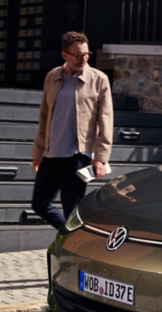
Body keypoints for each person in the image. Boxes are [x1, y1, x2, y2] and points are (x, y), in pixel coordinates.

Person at [31, 31, 113, 229]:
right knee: (39, 204)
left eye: (86, 54)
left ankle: (71, 246)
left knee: (72, 208)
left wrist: (101, 158)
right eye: (78, 55)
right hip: (51, 155)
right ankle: (71, 238)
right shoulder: (52, 77)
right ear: (64, 55)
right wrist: (38, 152)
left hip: (78, 156)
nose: (83, 59)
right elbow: (44, 116)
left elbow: (106, 119)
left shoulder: (98, 79)